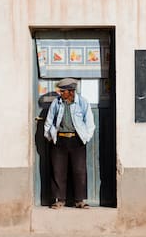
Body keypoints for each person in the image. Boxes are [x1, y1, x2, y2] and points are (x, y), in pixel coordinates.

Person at [44, 78, 95, 209]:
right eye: (61, 91)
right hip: (59, 140)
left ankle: (79, 200)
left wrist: (86, 137)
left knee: (79, 170)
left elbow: (90, 123)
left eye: (63, 91)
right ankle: (60, 200)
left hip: (76, 140)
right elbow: (49, 121)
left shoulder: (82, 103)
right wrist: (49, 136)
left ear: (71, 92)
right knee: (58, 170)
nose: (61, 93)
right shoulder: (57, 103)